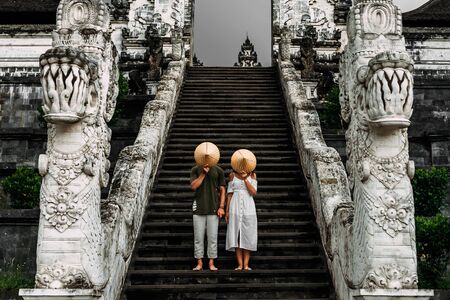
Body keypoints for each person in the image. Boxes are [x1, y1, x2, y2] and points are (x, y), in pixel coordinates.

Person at [190, 162, 226, 271]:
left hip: (213, 208)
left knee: (212, 237)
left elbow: (223, 190)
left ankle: (211, 262)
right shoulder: (195, 169)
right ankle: (199, 263)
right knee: (198, 237)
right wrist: (203, 174)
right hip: (198, 208)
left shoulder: (218, 170)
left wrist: (221, 206)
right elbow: (193, 186)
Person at [225, 170, 258, 271]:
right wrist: (227, 211)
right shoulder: (232, 175)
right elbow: (229, 194)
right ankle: (240, 265)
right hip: (234, 207)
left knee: (247, 235)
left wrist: (245, 179)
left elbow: (253, 192)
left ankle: (246, 265)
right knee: (237, 236)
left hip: (248, 207)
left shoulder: (252, 175)